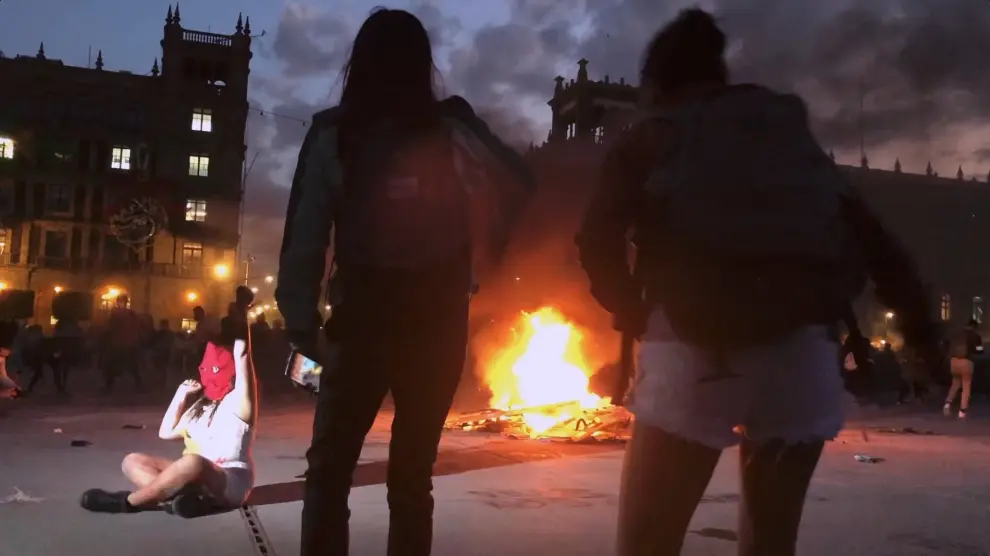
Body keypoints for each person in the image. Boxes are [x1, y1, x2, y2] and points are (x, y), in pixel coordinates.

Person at [575, 10, 940, 556]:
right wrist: (922, 335)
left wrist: (632, 309)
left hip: (695, 352)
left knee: (647, 545)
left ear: (656, 83)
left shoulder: (653, 136)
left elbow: (595, 238)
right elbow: (875, 239)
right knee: (771, 542)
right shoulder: (786, 136)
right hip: (801, 358)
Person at [275, 8, 534, 555]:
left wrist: (301, 323)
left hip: (360, 322)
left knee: (329, 473)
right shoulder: (451, 126)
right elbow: (517, 181)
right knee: (413, 477)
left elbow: (305, 234)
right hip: (437, 323)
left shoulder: (334, 132)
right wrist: (479, 260)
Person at [80, 289, 257, 513]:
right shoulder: (201, 406)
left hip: (228, 479)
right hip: (191, 475)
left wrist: (241, 312)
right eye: (206, 369)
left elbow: (243, 355)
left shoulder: (239, 402)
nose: (209, 374)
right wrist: (180, 394)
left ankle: (129, 502)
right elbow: (166, 433)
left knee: (192, 461)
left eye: (216, 370)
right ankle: (182, 500)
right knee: (133, 461)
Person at [103, 295, 142, 392]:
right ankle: (109, 385)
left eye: (122, 302)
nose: (121, 303)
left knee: (131, 365)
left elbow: (135, 327)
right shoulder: (121, 314)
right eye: (120, 302)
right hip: (120, 343)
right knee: (114, 364)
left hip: (125, 343)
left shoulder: (127, 314)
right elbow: (111, 327)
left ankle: (138, 384)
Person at [944, 325, 975, 419]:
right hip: (966, 362)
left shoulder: (956, 336)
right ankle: (962, 411)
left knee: (955, 384)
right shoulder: (972, 336)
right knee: (966, 386)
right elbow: (978, 349)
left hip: (954, 362)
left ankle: (947, 403)